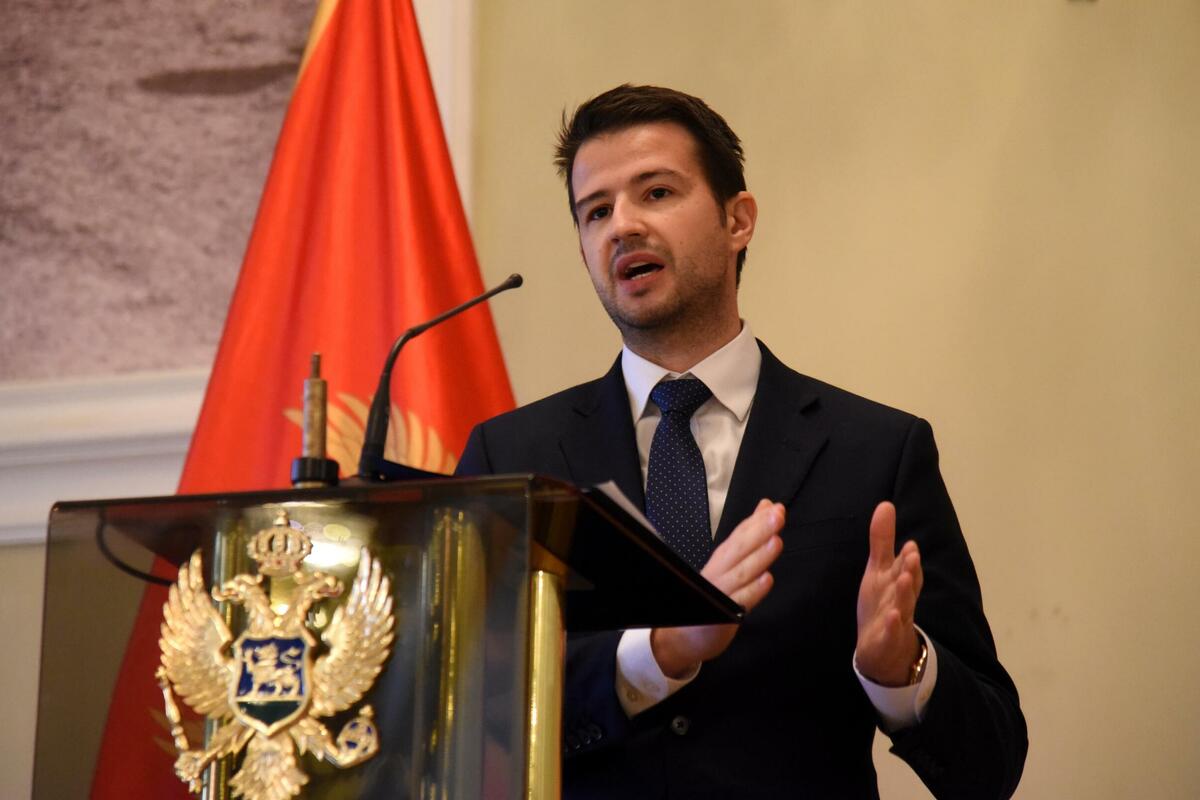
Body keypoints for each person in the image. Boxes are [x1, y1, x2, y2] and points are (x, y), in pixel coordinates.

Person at [457, 84, 1026, 799]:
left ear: (738, 220)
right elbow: (464, 719)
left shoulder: (876, 453)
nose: (622, 226)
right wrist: (660, 651)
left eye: (656, 192)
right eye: (595, 211)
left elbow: (991, 766)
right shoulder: (512, 459)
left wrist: (901, 671)